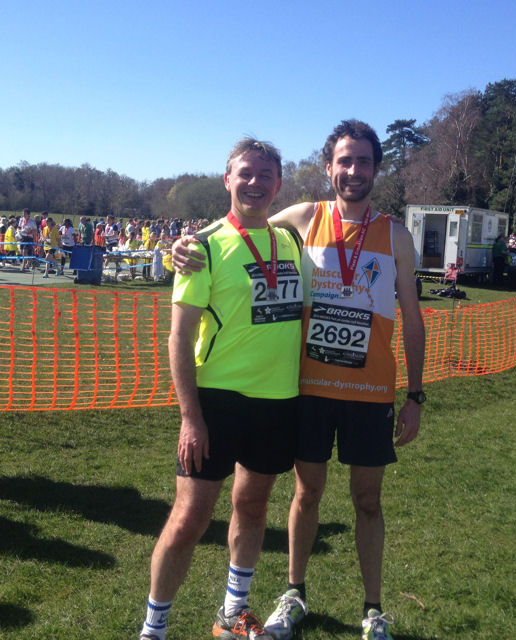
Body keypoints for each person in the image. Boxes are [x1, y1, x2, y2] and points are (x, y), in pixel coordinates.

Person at [172, 120, 426, 640]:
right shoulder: (305, 217)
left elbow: (414, 318)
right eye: (345, 161)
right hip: (308, 390)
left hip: (369, 392)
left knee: (368, 501)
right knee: (305, 494)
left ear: (377, 168)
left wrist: (416, 395)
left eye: (364, 162)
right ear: (329, 166)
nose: (354, 171)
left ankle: (373, 608)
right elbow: (240, 223)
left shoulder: (397, 235)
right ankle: (294, 594)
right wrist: (181, 245)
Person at [138, 138, 303, 640]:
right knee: (189, 518)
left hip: (277, 401)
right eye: (245, 173)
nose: (254, 183)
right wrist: (191, 417)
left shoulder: (291, 240)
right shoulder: (203, 248)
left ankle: (232, 613)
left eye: (265, 175)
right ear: (227, 179)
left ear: (278, 184)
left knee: (252, 507)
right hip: (217, 403)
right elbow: (179, 337)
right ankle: (154, 628)